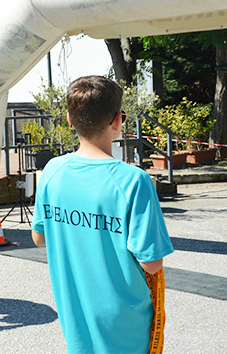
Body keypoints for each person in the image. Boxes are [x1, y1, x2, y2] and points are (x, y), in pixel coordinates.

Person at [31, 76, 174, 353]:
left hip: (76, 318)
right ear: (117, 121)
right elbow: (151, 263)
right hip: (126, 326)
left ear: (70, 120)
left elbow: (39, 237)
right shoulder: (134, 181)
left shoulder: (52, 171)